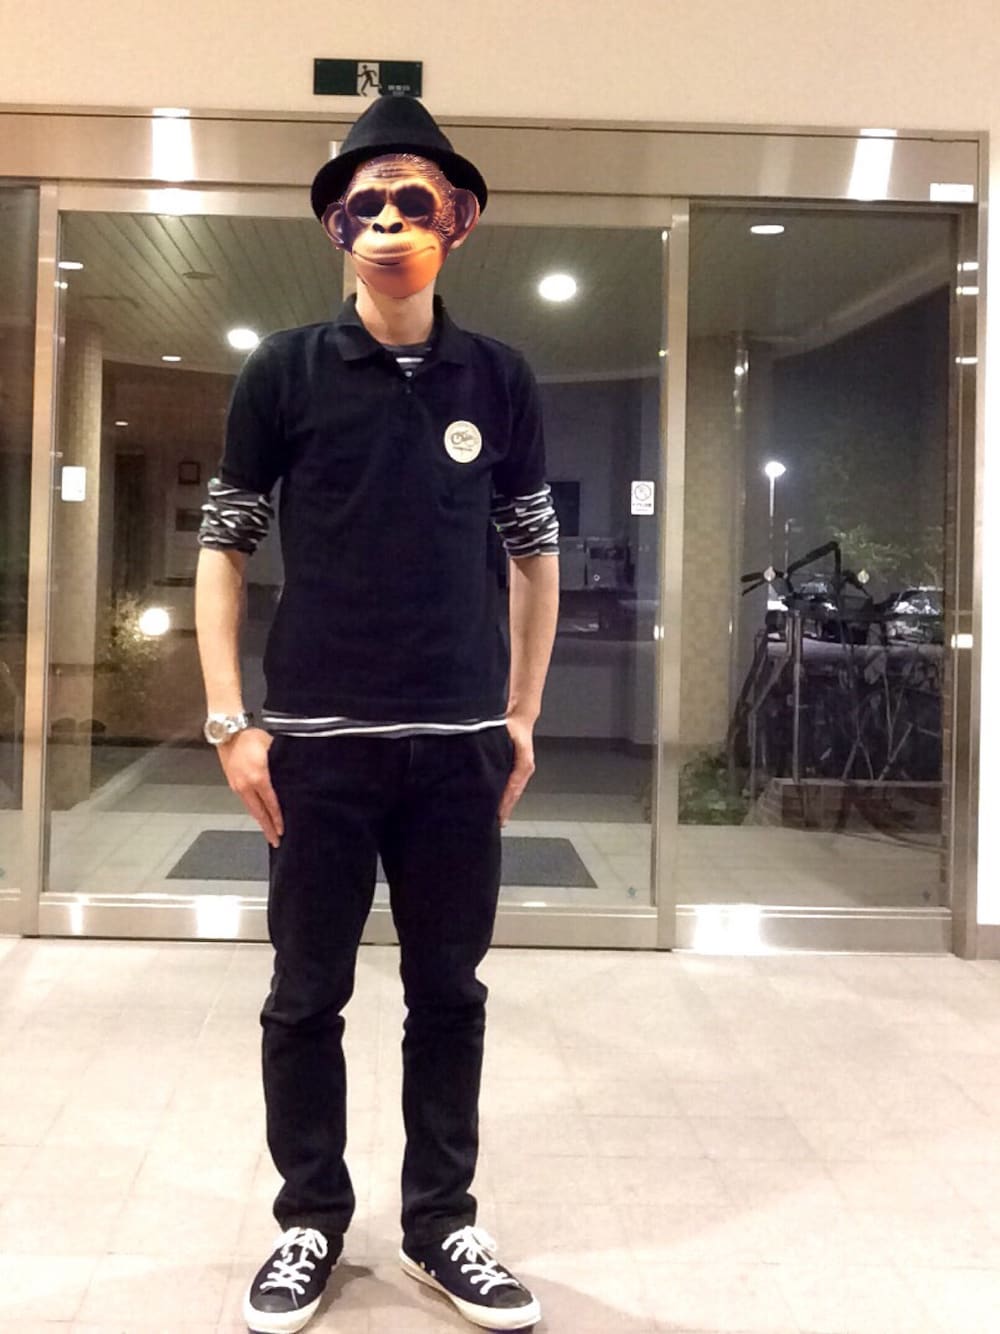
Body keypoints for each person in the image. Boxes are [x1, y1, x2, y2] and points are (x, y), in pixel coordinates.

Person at [195, 94, 559, 1334]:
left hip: (456, 749)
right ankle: (308, 1218)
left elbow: (533, 551)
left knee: (449, 992)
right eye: (368, 203)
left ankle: (441, 1223)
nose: (391, 220)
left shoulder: (497, 377)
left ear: (459, 222)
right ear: (335, 227)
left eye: (416, 201)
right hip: (315, 750)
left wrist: (520, 713)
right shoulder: (283, 370)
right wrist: (229, 720)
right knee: (306, 993)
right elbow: (224, 545)